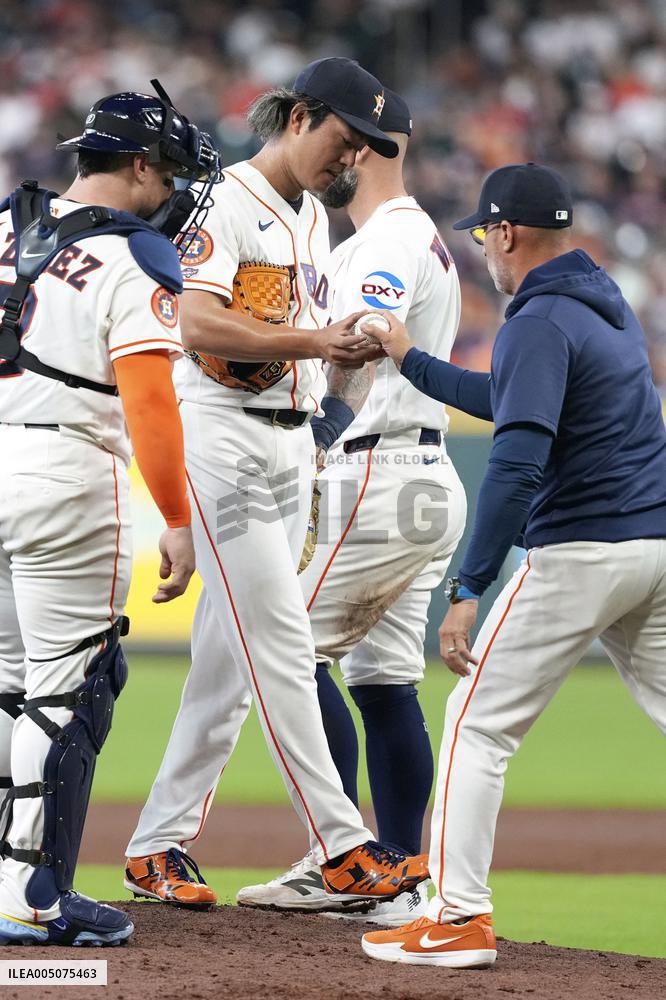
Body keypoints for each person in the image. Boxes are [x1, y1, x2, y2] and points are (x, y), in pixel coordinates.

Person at [124, 58, 429, 911]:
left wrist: (324, 411)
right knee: (282, 641)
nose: (352, 160)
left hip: (290, 442)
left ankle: (156, 847)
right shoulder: (225, 201)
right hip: (222, 435)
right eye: (343, 140)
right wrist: (314, 345)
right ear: (298, 118)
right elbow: (192, 319)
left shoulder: (307, 215)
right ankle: (342, 844)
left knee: (227, 662)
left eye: (367, 148)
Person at [358, 161, 666, 967]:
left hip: (582, 550)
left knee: (475, 723)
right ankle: (455, 914)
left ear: (505, 232)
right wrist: (410, 360)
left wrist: (468, 586)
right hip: (654, 548)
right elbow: (508, 396)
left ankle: (458, 918)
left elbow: (519, 460)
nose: (484, 250)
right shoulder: (605, 306)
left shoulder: (536, 320)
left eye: (485, 234)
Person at [237, 89, 466, 926]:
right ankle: (400, 878)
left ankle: (338, 858)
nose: (334, 163)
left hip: (380, 469)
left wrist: (320, 426)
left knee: (285, 656)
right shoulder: (421, 236)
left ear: (363, 150)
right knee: (385, 680)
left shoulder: (390, 238)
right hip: (424, 475)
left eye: (344, 148)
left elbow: (369, 330)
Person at [0, 84, 218, 946]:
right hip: (63, 468)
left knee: (8, 681)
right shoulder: (135, 258)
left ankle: (5, 879)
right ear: (136, 166)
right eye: (164, 175)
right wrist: (176, 516)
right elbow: (151, 406)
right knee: (69, 687)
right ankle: (32, 892)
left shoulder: (6, 224)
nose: (170, 192)